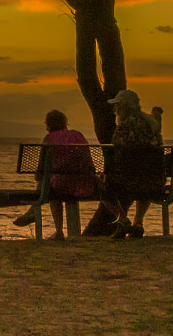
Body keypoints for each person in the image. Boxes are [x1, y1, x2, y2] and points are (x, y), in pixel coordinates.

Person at [14, 109, 97, 236]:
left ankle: (58, 231)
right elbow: (88, 160)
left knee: (51, 186)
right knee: (57, 184)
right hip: (83, 183)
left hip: (61, 185)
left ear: (49, 124)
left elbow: (41, 167)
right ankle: (69, 232)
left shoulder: (49, 138)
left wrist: (38, 176)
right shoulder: (77, 135)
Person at [102, 88, 163, 239]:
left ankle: (123, 220)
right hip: (153, 179)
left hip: (126, 179)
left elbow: (116, 148)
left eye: (117, 105)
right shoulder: (152, 124)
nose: (114, 108)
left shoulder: (125, 126)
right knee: (143, 185)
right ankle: (138, 222)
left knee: (102, 188)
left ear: (125, 106)